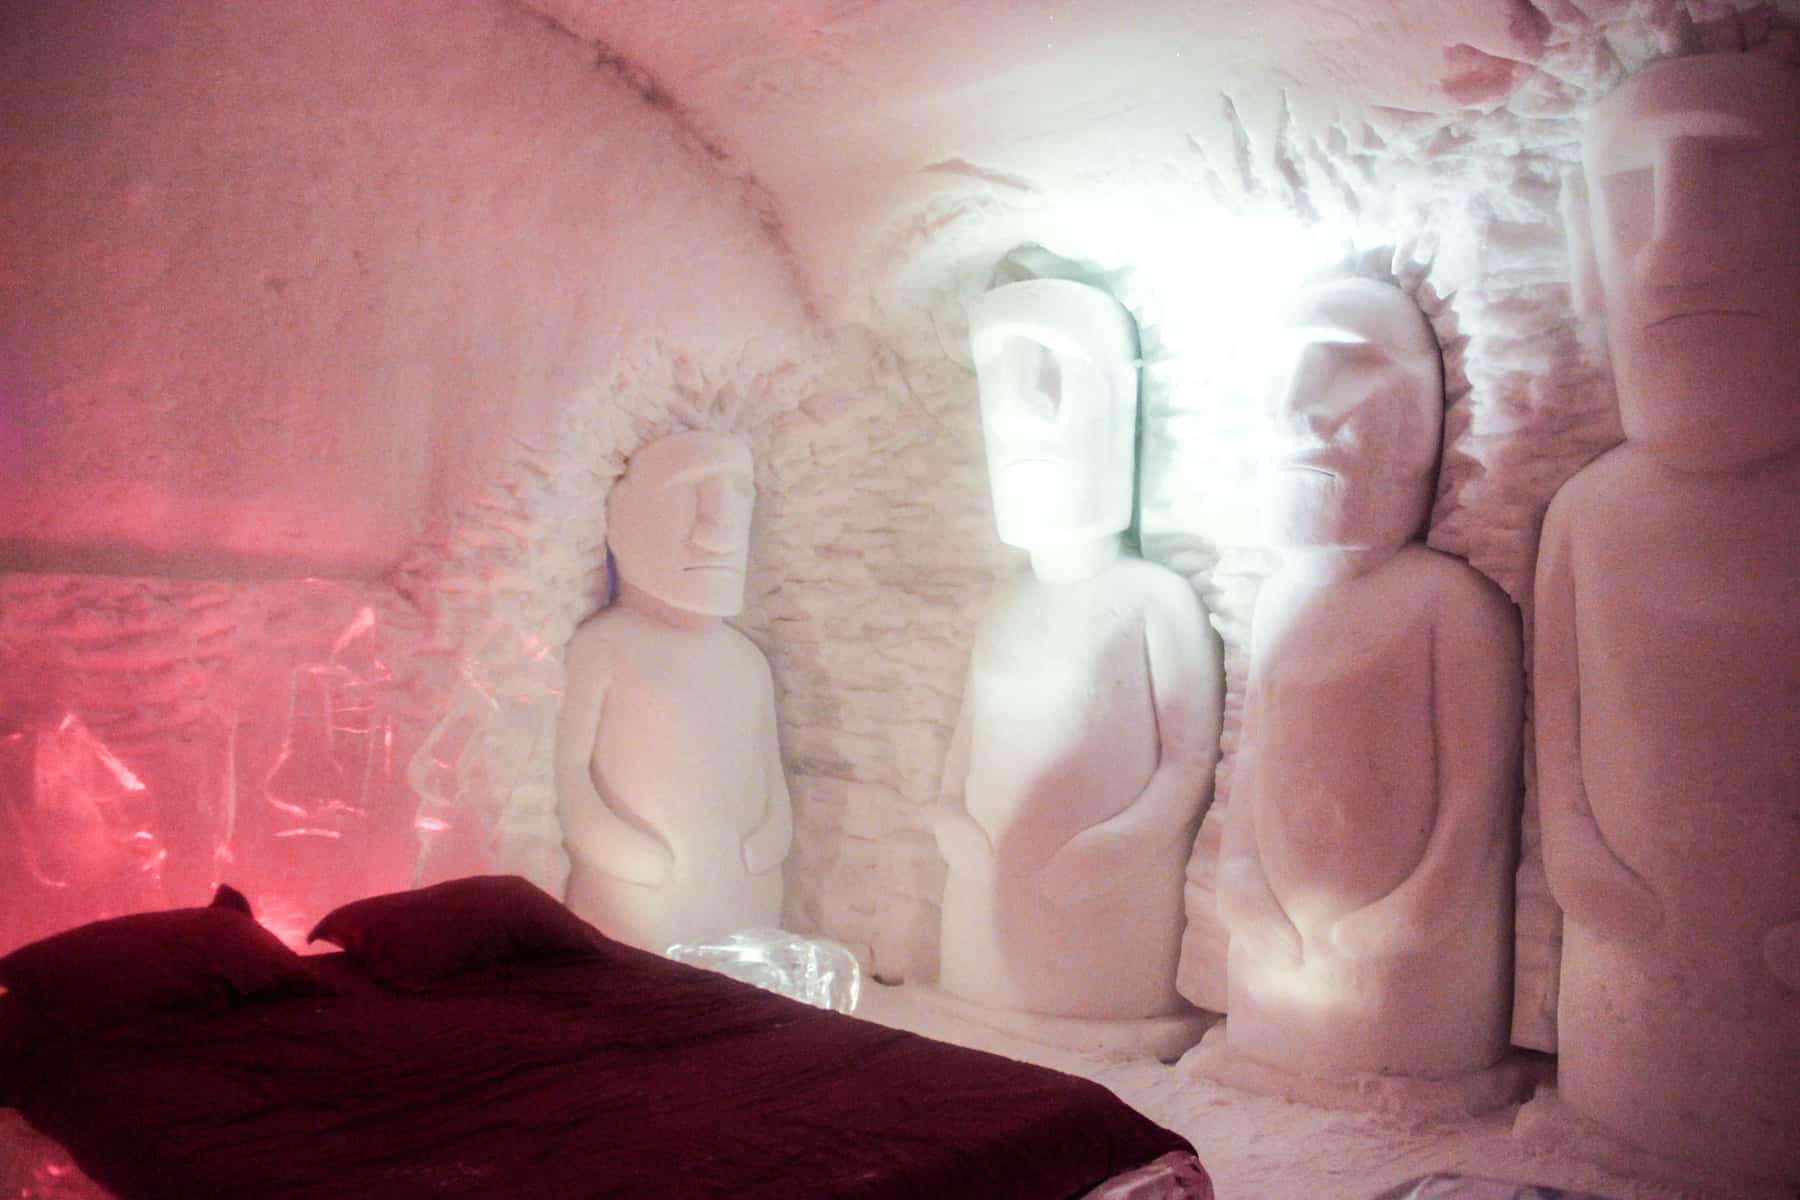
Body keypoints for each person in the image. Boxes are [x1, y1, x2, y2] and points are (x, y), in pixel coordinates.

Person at [1542, 51, 1800, 1180]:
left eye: (1738, 182)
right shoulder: (1589, 515)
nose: (1680, 246)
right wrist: (1578, 862)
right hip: (1618, 954)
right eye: (1633, 191)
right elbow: (1559, 735)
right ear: (1582, 250)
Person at [1217, 277, 1523, 1078]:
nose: (1297, 409)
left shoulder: (1448, 603)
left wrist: (1423, 904)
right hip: (1275, 945)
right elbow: (1252, 764)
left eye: (1343, 369)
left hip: (1404, 952)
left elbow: (1476, 798)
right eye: (1280, 379)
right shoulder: (1278, 602)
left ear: (1418, 421)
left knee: (1387, 1044)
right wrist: (1241, 878)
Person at [936, 263, 1222, 1019]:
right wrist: (951, 824)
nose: (1022, 412)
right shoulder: (1004, 604)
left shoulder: (1152, 601)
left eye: (1055, 377)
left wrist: (1120, 846)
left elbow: (1186, 761)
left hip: (1104, 907)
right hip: (986, 907)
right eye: (1001, 383)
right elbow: (964, 748)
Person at [556, 431, 791, 953]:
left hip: (743, 900)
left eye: (738, 497)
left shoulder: (746, 662)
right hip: (637, 904)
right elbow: (569, 775)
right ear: (622, 520)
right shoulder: (605, 647)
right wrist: (616, 848)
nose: (719, 533)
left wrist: (772, 836)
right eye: (689, 495)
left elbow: (769, 768)